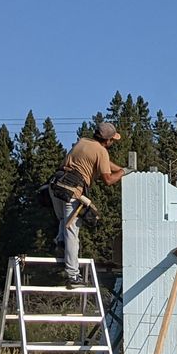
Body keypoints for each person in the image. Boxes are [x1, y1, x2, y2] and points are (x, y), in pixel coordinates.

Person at [46, 119, 127, 284]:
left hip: (55, 185)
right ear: (107, 140)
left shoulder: (83, 142)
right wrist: (123, 172)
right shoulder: (101, 151)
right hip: (72, 190)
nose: (113, 143)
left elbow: (102, 162)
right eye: (112, 140)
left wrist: (118, 167)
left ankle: (60, 241)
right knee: (72, 232)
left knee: (63, 221)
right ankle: (73, 274)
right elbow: (108, 180)